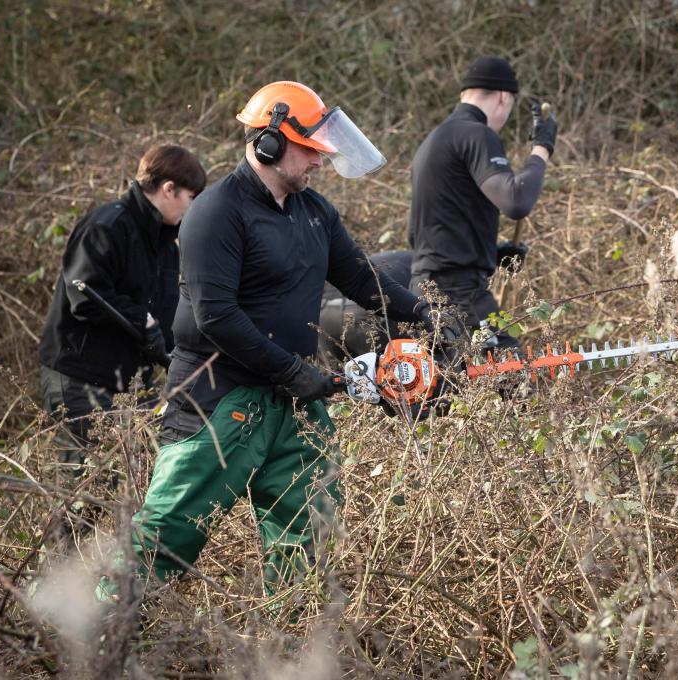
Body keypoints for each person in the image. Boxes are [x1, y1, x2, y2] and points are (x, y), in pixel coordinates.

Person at [122, 81, 453, 595]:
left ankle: (295, 650)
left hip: (294, 402)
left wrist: (429, 316)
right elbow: (215, 317)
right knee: (167, 533)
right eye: (310, 150)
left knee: (309, 533)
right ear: (270, 142)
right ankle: (100, 634)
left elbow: (363, 278)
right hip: (220, 397)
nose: (320, 162)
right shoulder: (217, 213)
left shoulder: (314, 212)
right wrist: (293, 370)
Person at [38, 144, 206, 480]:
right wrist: (142, 321)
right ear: (168, 188)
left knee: (128, 484)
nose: (193, 208)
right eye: (191, 197)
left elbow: (167, 312)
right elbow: (84, 293)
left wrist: (188, 354)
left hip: (129, 386)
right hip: (80, 379)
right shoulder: (107, 226)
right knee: (81, 490)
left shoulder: (165, 248)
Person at [408, 55, 558, 349]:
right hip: (460, 295)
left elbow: (426, 229)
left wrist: (490, 252)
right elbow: (516, 201)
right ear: (503, 98)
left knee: (450, 390)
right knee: (514, 378)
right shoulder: (477, 134)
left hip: (423, 291)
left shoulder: (435, 140)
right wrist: (542, 148)